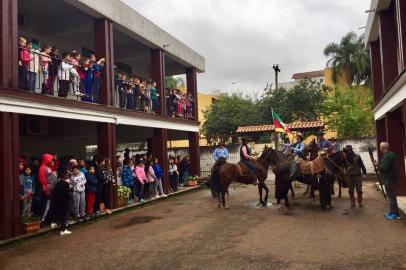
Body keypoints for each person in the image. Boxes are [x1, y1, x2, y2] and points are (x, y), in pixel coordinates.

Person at [374, 142, 400, 220]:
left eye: (380, 147)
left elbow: (384, 168)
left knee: (391, 197)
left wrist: (377, 165)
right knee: (392, 197)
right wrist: (379, 164)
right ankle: (393, 212)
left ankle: (394, 214)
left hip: (389, 179)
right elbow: (384, 166)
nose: (379, 149)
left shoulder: (388, 156)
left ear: (382, 148)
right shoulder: (389, 155)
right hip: (390, 179)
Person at [51, 170, 72, 235]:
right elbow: (67, 194)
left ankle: (55, 223)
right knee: (64, 215)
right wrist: (70, 197)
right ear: (65, 175)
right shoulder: (66, 184)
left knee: (59, 214)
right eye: (67, 175)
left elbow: (54, 193)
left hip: (57, 201)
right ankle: (63, 230)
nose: (68, 176)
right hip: (64, 202)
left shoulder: (58, 183)